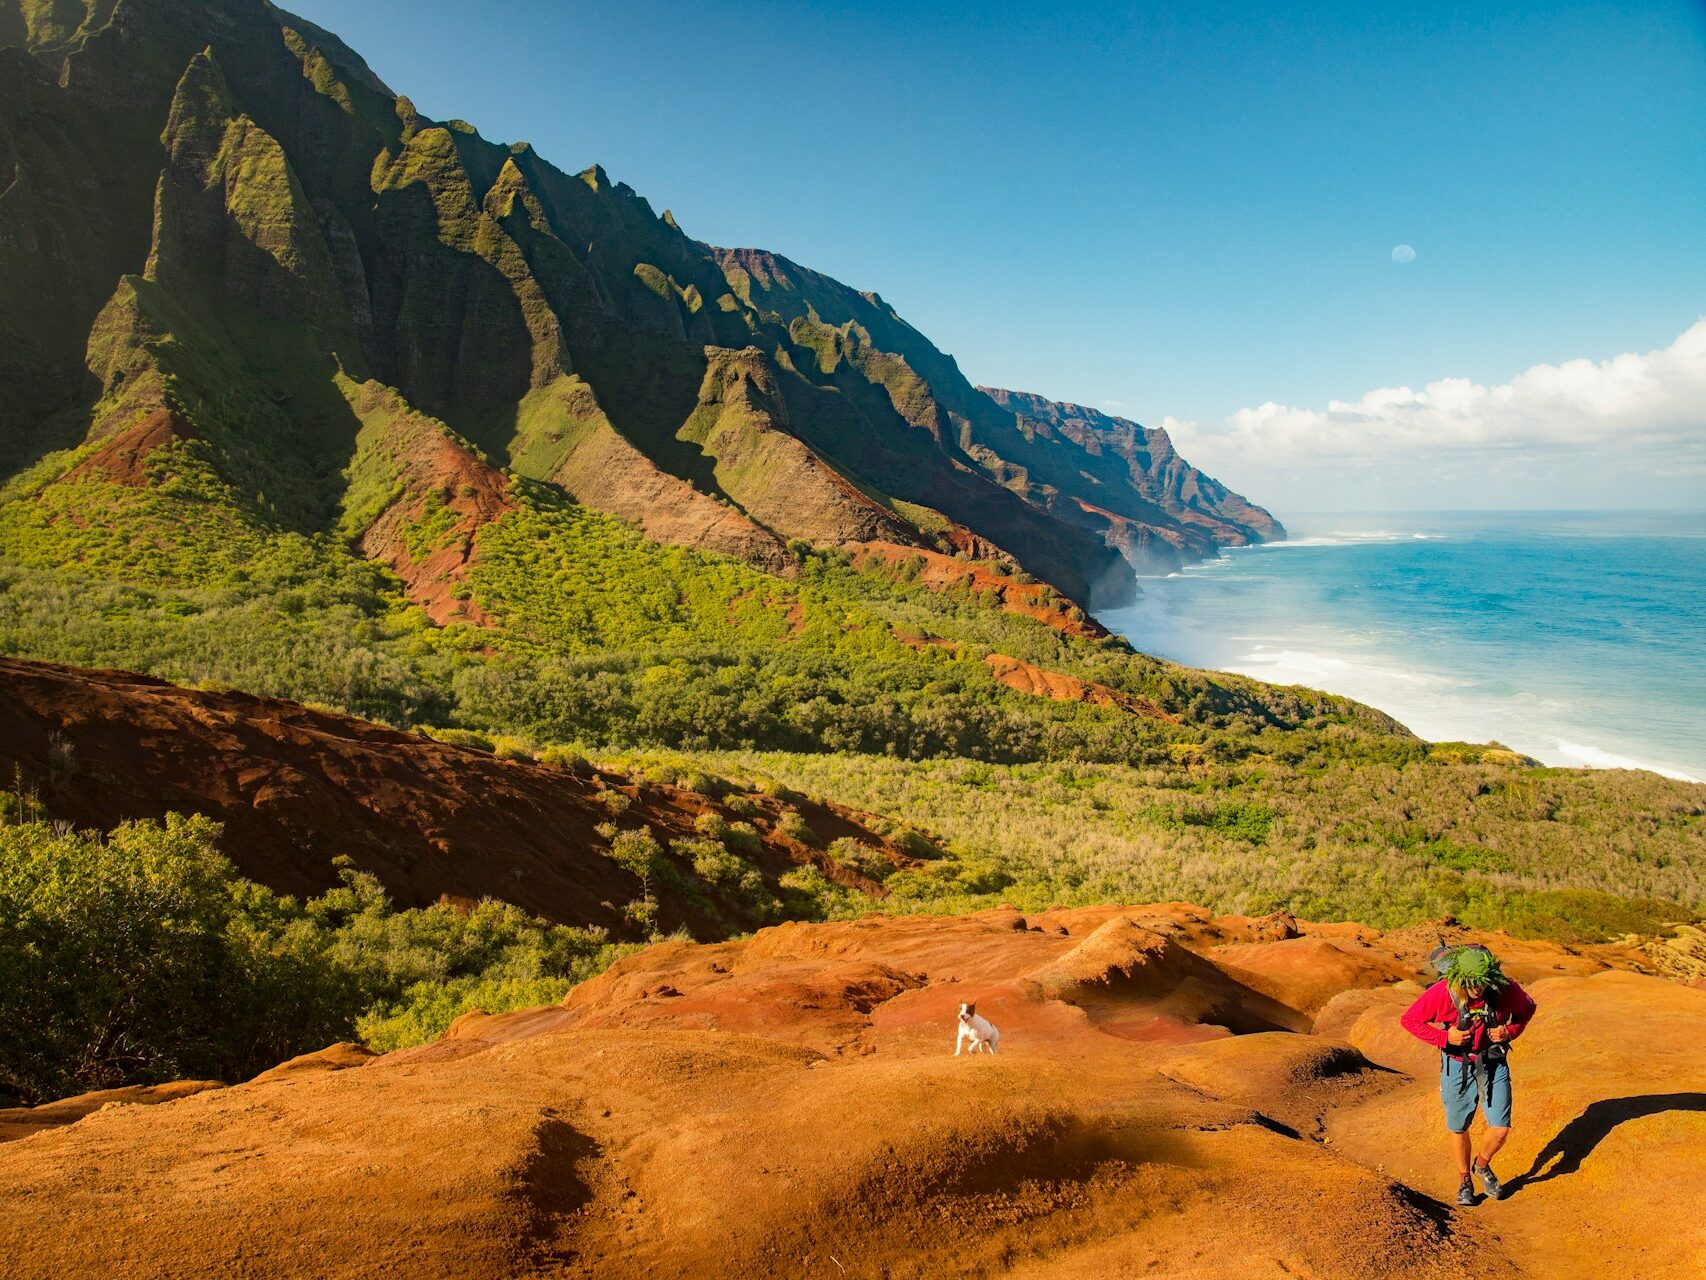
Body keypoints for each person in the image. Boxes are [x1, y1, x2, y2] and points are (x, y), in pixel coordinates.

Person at [1399, 944, 1537, 1206]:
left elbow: (1528, 1010)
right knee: (1459, 1126)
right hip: (1456, 1065)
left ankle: (1482, 1165)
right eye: (1470, 983)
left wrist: (1511, 1032)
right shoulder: (1442, 993)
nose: (1476, 988)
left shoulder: (1505, 990)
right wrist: (1444, 1037)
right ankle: (1464, 1180)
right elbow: (1409, 1020)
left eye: (1481, 983)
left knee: (1500, 1129)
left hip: (1493, 1062)